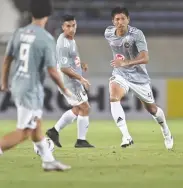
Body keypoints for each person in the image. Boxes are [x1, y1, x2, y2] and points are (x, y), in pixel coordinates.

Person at [0, 0, 71, 171]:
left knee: (36, 125)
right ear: (48, 15)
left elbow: (7, 59)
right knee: (24, 131)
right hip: (29, 89)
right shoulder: (45, 38)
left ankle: (48, 160)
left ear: (31, 13)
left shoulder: (19, 33)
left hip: (18, 84)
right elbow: (53, 71)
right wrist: (65, 89)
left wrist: (4, 81)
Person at [104, 7, 173, 149]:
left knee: (152, 109)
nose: (120, 22)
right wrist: (121, 65)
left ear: (128, 20)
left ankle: (166, 131)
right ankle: (126, 136)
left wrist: (125, 62)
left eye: (123, 18)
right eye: (117, 19)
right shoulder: (108, 33)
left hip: (139, 78)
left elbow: (145, 57)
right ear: (113, 21)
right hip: (120, 74)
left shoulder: (136, 34)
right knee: (113, 95)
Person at [46, 15, 94, 148]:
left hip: (70, 80)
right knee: (85, 107)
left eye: (73, 25)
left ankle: (54, 131)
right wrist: (81, 78)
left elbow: (70, 60)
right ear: (63, 27)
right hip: (69, 81)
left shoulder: (69, 40)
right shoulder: (63, 44)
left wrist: (81, 64)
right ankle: (81, 140)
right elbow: (64, 67)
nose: (72, 29)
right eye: (68, 26)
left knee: (77, 109)